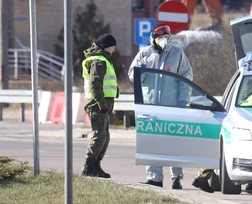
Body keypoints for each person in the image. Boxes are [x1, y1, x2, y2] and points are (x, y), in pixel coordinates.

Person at [128, 22, 193, 189]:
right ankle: (154, 178)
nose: (164, 39)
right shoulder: (144, 54)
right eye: (161, 37)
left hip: (171, 107)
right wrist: (139, 71)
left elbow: (186, 78)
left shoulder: (177, 54)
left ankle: (176, 177)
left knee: (173, 143)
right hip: (150, 107)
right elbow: (132, 76)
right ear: (153, 38)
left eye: (166, 36)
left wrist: (182, 102)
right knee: (152, 143)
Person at [81, 33, 120, 178]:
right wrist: (101, 103)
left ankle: (96, 165)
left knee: (105, 136)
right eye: (112, 47)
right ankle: (88, 166)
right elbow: (95, 84)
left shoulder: (103, 59)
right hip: (96, 104)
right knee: (99, 135)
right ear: (105, 47)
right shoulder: (98, 61)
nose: (114, 50)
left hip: (102, 104)